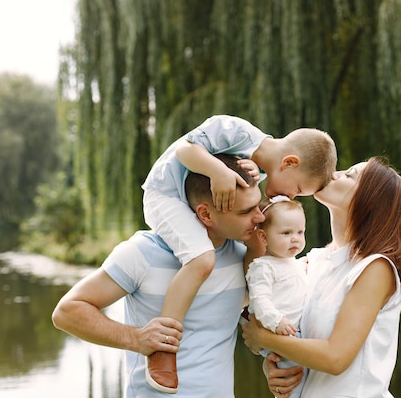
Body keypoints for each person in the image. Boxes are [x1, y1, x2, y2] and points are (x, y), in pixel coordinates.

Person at [141, 114, 336, 392]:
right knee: (202, 259)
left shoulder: (259, 169)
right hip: (167, 196)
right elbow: (185, 149)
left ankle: (264, 333)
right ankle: (163, 348)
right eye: (298, 189)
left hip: (202, 210)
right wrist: (216, 171)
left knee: (254, 250)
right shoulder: (236, 131)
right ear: (290, 162)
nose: (291, 197)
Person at [52, 154, 265, 398]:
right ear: (206, 214)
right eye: (246, 211)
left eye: (258, 206)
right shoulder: (141, 253)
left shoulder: (243, 257)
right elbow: (67, 312)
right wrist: (135, 338)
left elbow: (255, 309)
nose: (259, 217)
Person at [241, 156, 401, 398]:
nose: (333, 173)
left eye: (349, 175)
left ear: (370, 202)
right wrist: (279, 366)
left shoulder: (375, 268)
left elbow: (335, 358)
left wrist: (265, 338)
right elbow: (296, 332)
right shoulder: (316, 261)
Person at [244, 195, 308, 398]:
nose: (295, 238)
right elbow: (260, 300)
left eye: (300, 232)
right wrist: (276, 321)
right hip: (281, 333)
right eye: (286, 233)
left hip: (296, 333)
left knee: (305, 380)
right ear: (264, 238)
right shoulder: (263, 266)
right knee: (293, 381)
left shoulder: (295, 262)